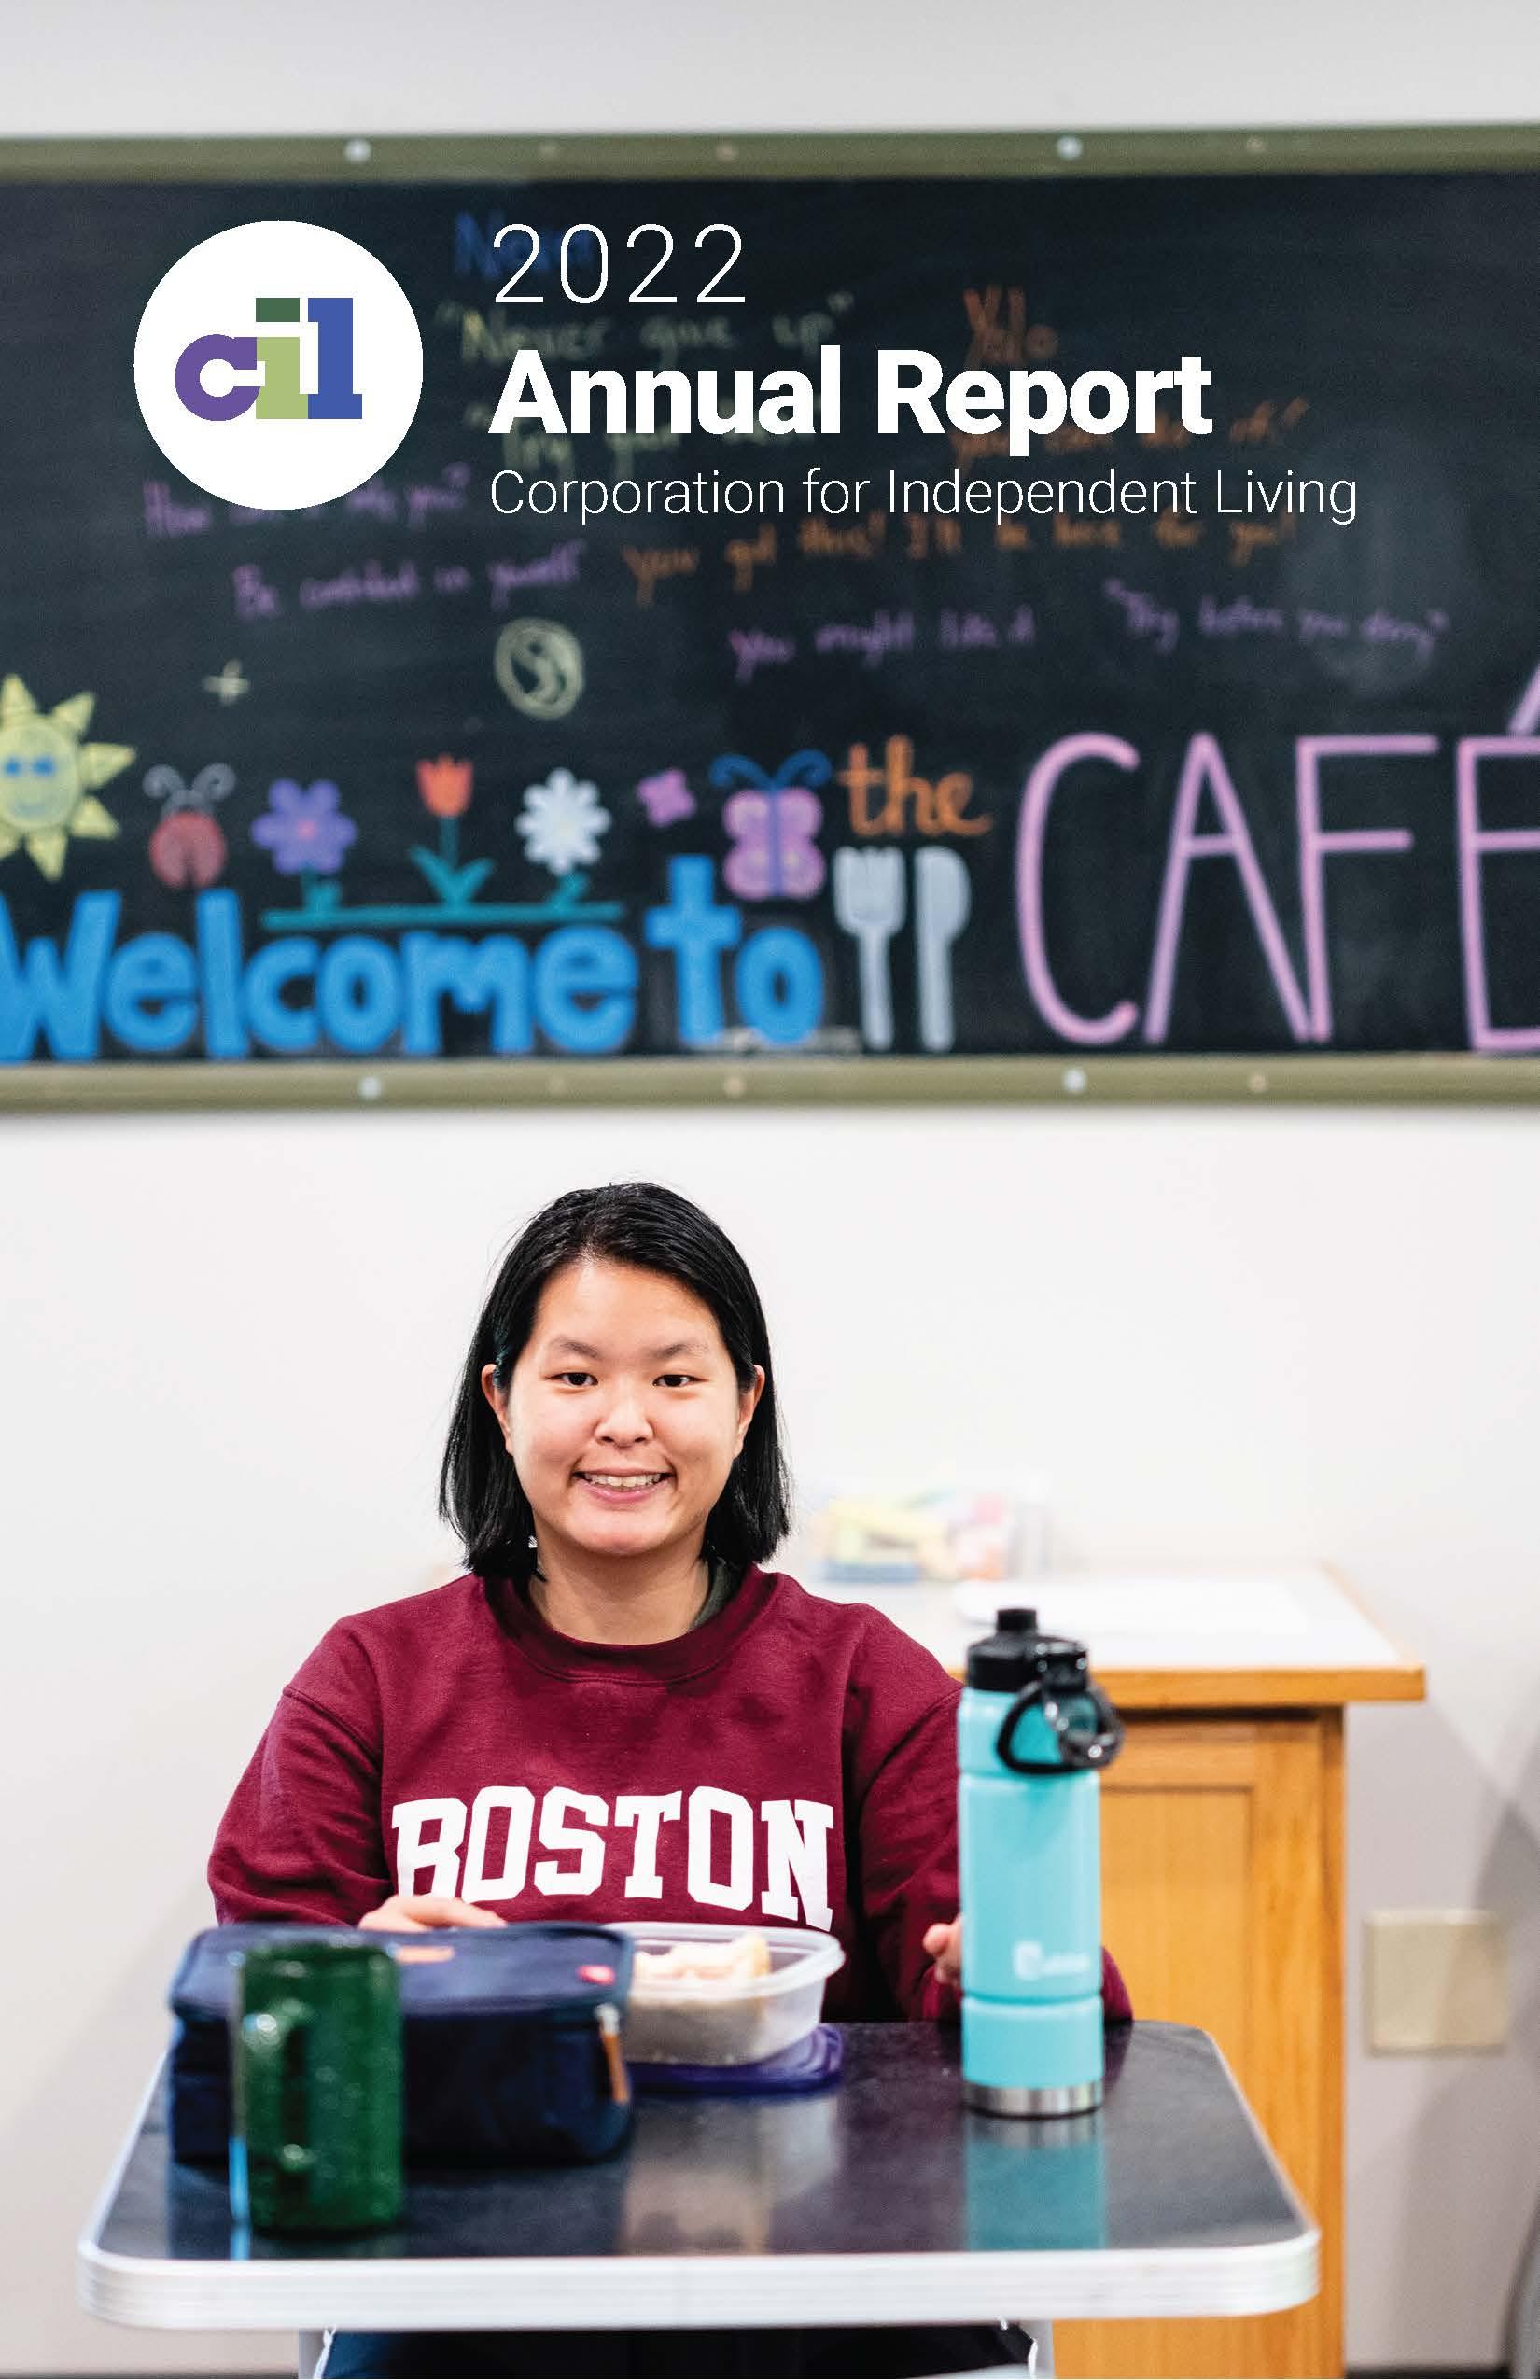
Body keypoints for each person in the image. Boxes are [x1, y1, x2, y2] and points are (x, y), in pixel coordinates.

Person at [210, 1182, 1129, 2377]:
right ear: (501, 1401)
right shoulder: (372, 1676)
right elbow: (247, 2011)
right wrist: (356, 1978)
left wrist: (994, 1970)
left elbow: (1049, 2005)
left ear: (746, 1406)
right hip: (469, 2300)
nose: (625, 1422)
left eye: (677, 1378)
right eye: (576, 1376)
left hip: (833, 2290)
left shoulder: (864, 1680)